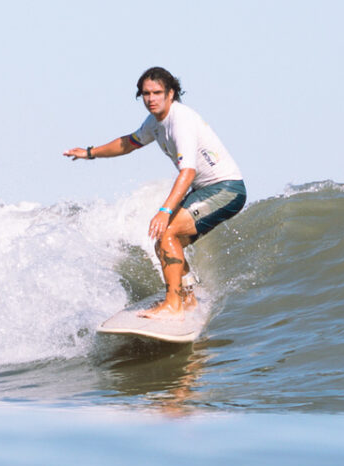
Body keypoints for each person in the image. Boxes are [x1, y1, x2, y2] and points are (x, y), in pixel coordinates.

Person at [63, 66, 247, 318]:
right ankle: (187, 297)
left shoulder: (180, 121)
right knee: (166, 242)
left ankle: (173, 303)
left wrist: (165, 210)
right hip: (205, 189)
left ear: (171, 93)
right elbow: (128, 143)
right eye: (145, 93)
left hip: (226, 188)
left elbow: (188, 172)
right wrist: (89, 152)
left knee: (168, 232)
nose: (151, 99)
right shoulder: (155, 121)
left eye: (157, 92)